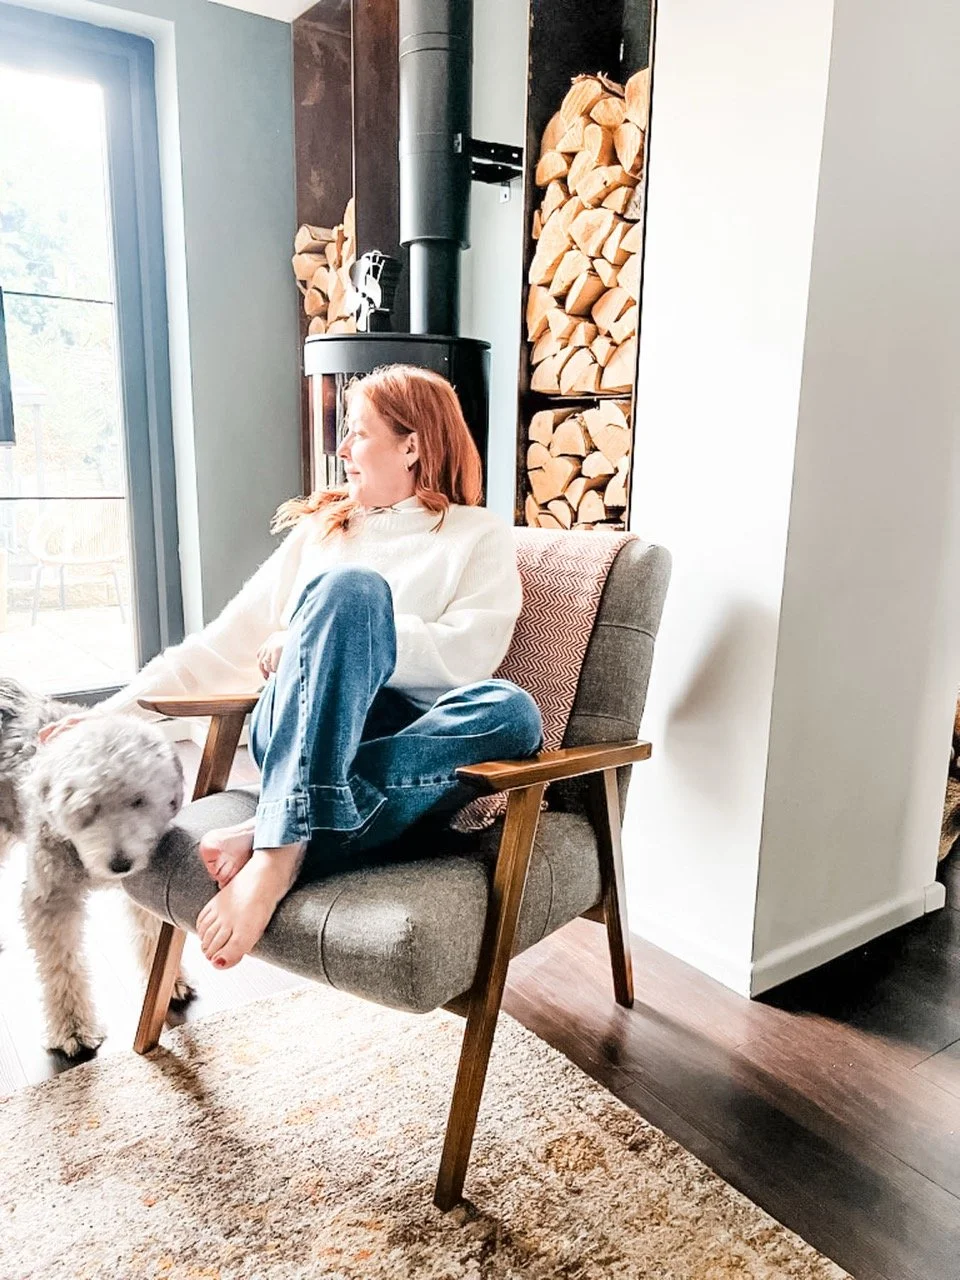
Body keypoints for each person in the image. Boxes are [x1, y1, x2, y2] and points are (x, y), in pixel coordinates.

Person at [40, 365, 543, 971]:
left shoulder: (476, 535)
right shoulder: (321, 534)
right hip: (297, 720)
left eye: (357, 433)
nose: (341, 449)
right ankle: (279, 852)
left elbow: (469, 657)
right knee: (351, 588)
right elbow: (216, 648)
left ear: (411, 445)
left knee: (511, 711)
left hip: (402, 732)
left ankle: (278, 826)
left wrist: (315, 638)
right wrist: (104, 718)